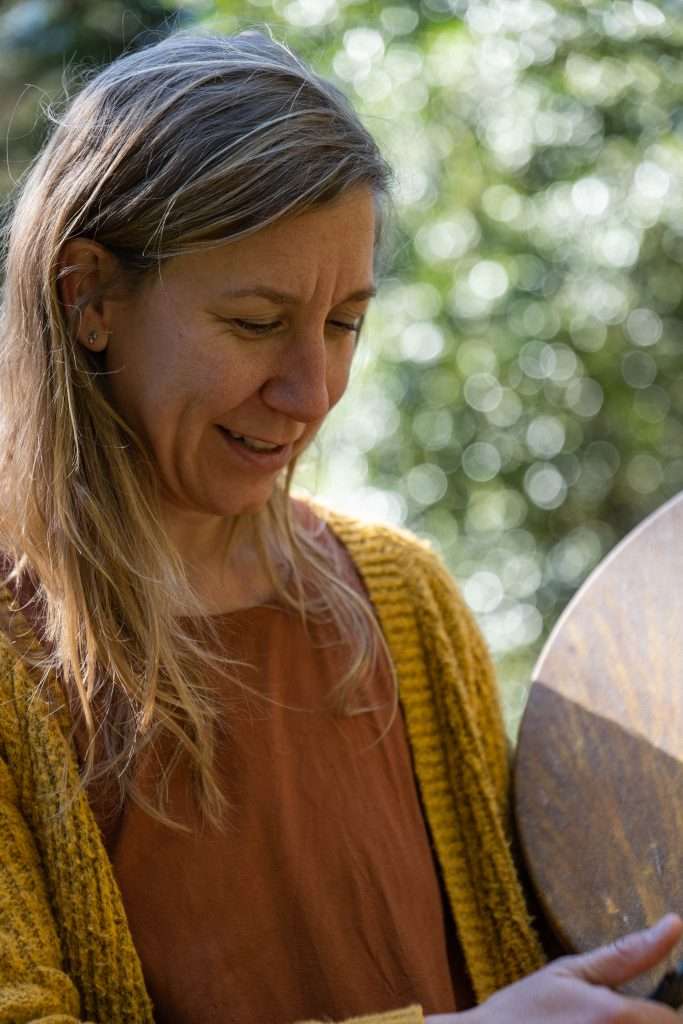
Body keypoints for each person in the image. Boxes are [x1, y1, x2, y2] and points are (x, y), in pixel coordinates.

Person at [0, 26, 680, 1024]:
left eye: (343, 323)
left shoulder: (404, 599)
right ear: (89, 295)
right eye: (256, 323)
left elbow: (543, 957)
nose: (311, 390)